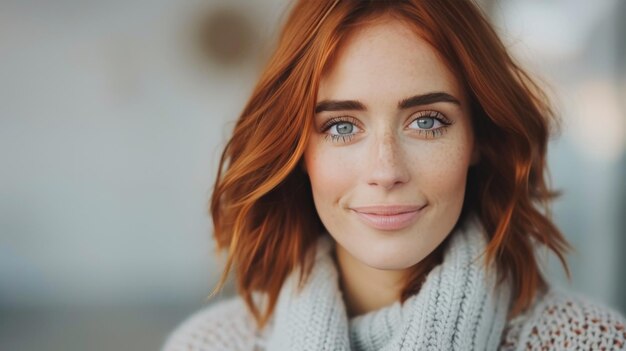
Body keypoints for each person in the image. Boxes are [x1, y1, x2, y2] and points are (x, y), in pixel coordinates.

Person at [163, 0, 626, 350]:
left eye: (427, 121)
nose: (385, 171)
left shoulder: (591, 341)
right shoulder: (209, 344)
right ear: (298, 150)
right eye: (342, 127)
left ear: (479, 139)